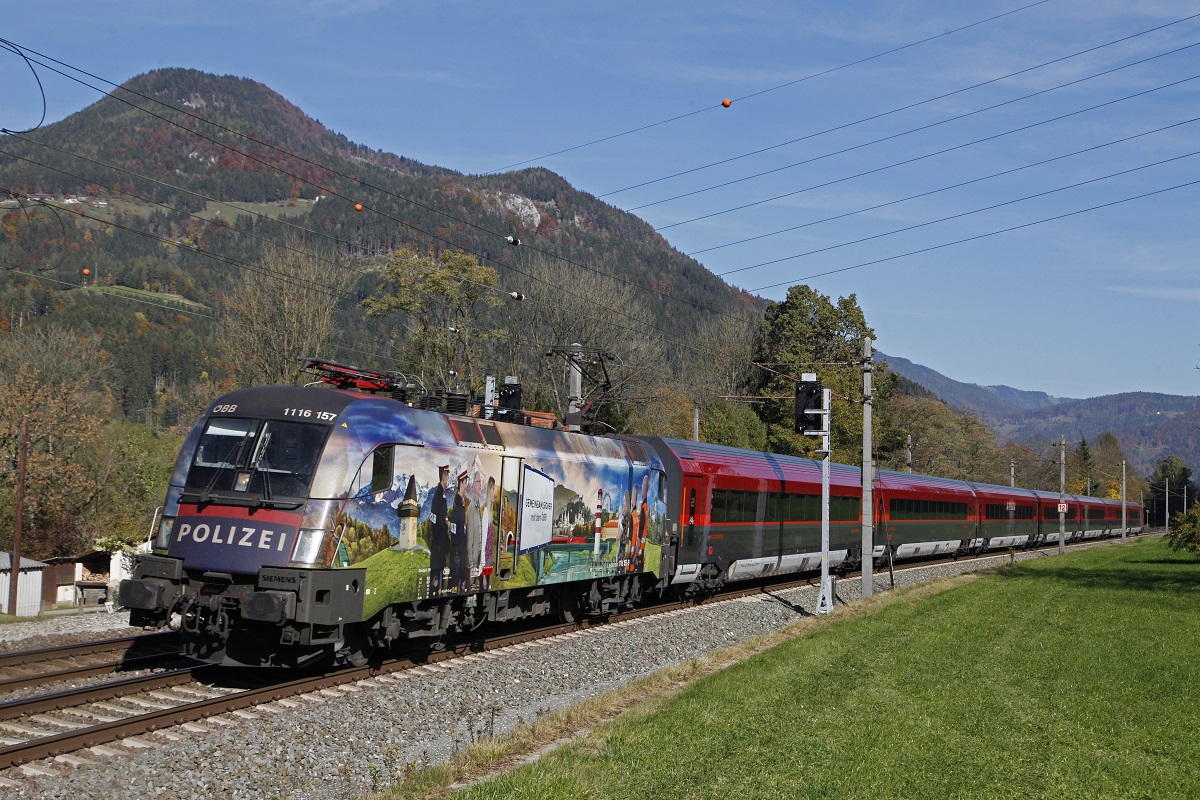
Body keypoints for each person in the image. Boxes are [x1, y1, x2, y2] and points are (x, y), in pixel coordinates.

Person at [429, 466, 451, 595]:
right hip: (438, 551)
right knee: (436, 590)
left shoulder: (439, 495)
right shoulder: (439, 496)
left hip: (437, 550)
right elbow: (439, 524)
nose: (448, 478)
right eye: (447, 475)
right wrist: (445, 543)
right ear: (443, 475)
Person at [450, 468, 470, 593]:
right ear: (461, 483)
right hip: (458, 563)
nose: (467, 486)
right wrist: (463, 574)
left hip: (454, 560)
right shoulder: (460, 508)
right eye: (466, 483)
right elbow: (460, 539)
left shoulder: (456, 505)